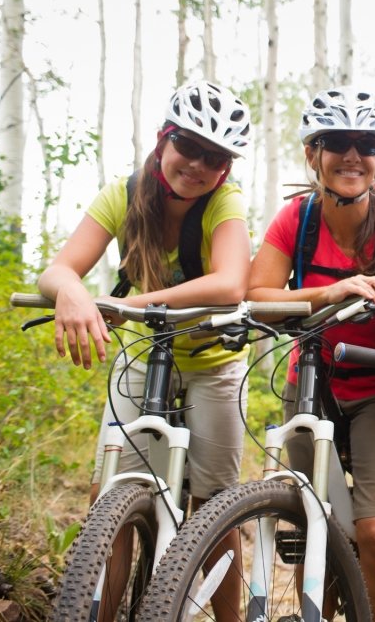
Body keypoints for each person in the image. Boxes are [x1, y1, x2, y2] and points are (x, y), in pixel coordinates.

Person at [37, 80, 253, 618]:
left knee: (214, 507)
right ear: (163, 140)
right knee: (109, 494)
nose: (198, 165)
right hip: (143, 356)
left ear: (225, 168)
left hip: (214, 363)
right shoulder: (126, 193)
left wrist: (141, 302)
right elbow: (59, 269)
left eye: (215, 157)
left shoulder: (225, 203)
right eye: (188, 146)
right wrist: (72, 292)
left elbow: (230, 284)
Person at [246, 86, 375, 622]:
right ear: (313, 154)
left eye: (366, 144)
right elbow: (258, 298)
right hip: (310, 384)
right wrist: (329, 292)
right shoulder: (297, 220)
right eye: (337, 143)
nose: (353, 155)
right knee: (317, 525)